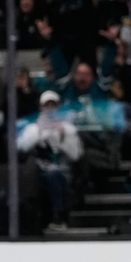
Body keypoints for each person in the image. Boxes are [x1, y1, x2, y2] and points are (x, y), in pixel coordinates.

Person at [16, 90, 83, 231]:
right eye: (46, 106)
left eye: (53, 106)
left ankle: (59, 217)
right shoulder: (32, 128)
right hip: (37, 172)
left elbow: (76, 155)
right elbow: (21, 148)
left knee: (54, 176)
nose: (50, 109)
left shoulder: (68, 129)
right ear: (41, 107)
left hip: (62, 172)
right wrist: (38, 132)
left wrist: (62, 136)